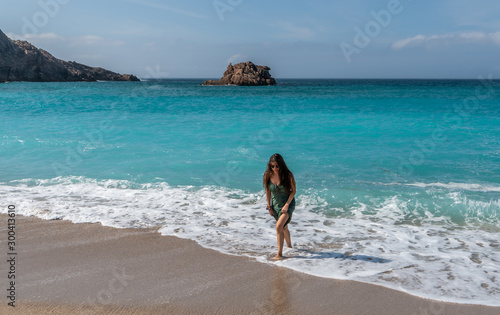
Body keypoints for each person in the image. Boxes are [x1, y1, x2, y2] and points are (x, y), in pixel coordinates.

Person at [263, 153, 296, 260]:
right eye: (272, 166)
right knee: (284, 227)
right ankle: (290, 247)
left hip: (287, 204)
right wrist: (269, 206)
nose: (275, 168)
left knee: (278, 227)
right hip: (276, 205)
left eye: (277, 166)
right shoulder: (267, 175)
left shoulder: (288, 175)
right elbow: (268, 191)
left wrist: (287, 205)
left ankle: (279, 254)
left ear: (281, 164)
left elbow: (293, 191)